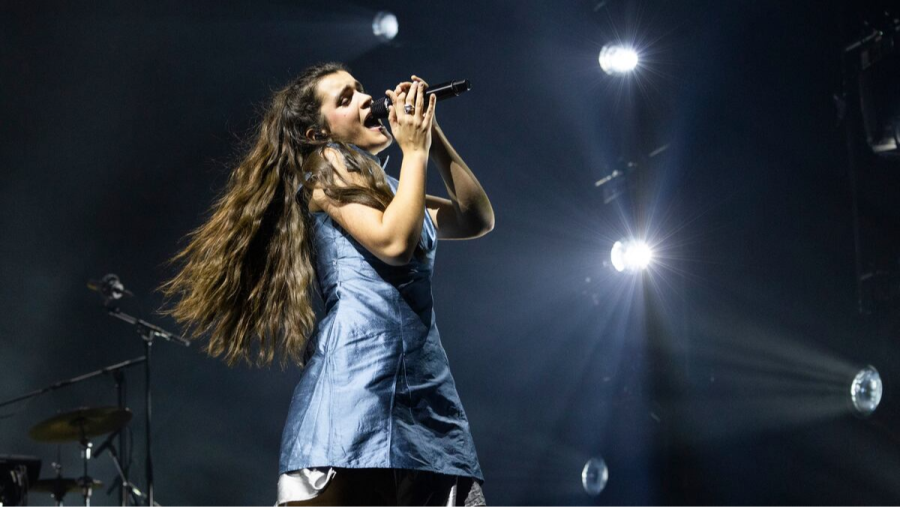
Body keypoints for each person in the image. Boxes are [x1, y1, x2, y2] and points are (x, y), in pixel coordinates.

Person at [162, 62, 494, 507]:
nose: (364, 99)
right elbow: (394, 242)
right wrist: (414, 153)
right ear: (319, 134)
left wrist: (431, 142)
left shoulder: (397, 191)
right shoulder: (324, 169)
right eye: (344, 99)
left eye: (360, 90)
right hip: (358, 394)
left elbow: (475, 218)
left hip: (426, 396)